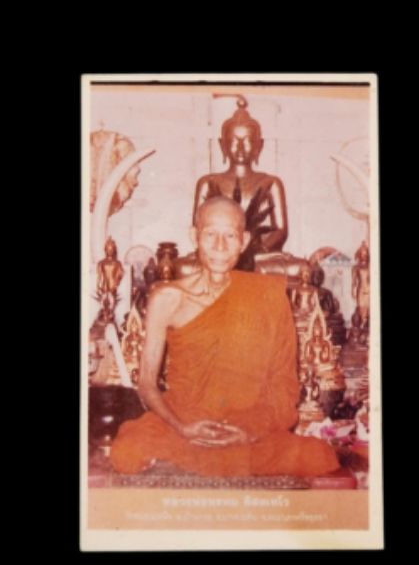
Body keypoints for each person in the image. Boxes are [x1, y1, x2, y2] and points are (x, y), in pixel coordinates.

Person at [110, 196, 338, 478]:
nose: (220, 246)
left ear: (244, 241)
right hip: (182, 422)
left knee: (318, 455)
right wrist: (183, 428)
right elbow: (146, 384)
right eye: (210, 235)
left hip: (246, 426)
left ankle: (206, 462)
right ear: (194, 236)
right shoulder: (167, 298)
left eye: (230, 236)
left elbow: (284, 386)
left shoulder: (268, 296)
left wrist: (249, 431)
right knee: (128, 450)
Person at [192, 96, 288, 271]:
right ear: (222, 144)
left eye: (248, 141)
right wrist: (227, 251)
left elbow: (280, 231)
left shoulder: (271, 183)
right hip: (217, 254)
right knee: (183, 268)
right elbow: (198, 228)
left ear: (259, 145)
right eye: (234, 141)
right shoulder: (207, 183)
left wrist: (253, 251)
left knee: (296, 268)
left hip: (259, 255)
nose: (241, 148)